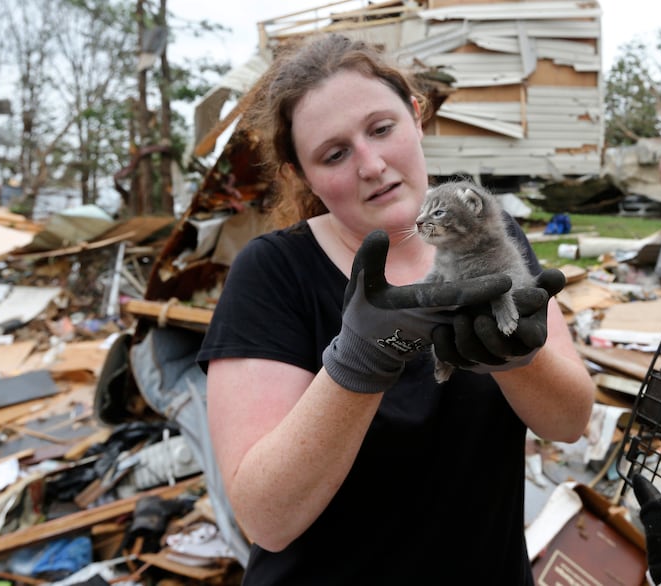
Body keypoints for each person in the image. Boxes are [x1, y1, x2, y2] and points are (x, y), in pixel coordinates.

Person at [196, 33, 595, 584]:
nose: (371, 163)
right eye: (334, 154)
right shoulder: (272, 274)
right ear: (298, 175)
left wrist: (517, 359)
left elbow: (570, 422)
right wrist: (360, 363)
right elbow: (267, 519)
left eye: (381, 129)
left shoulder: (489, 233)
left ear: (415, 114)